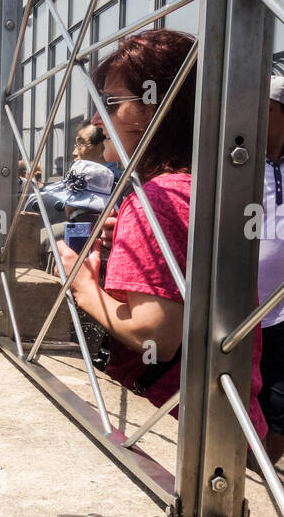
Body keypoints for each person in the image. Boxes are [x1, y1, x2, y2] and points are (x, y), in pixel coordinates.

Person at [56, 29, 267, 436]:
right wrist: (136, 242)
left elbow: (155, 333)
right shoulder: (201, 186)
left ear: (162, 109)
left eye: (112, 104)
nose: (99, 121)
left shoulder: (156, 198)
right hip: (228, 421)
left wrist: (83, 286)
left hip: (174, 429)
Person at [258, 76, 284, 462]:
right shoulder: (232, 163)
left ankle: (260, 473)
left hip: (281, 311)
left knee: (280, 405)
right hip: (235, 307)